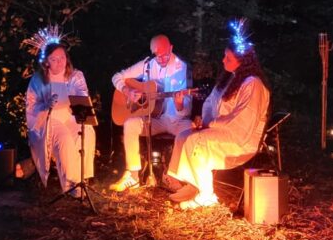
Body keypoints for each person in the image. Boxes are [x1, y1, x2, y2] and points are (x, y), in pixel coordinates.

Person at [166, 21, 270, 210]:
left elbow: (243, 119)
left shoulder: (252, 83)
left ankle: (207, 196)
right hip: (221, 129)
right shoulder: (230, 79)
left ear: (242, 61)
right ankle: (192, 185)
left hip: (239, 138)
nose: (223, 61)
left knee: (196, 142)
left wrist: (212, 124)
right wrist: (203, 121)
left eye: (227, 58)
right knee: (183, 136)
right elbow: (210, 103)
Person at [108, 34, 192, 192]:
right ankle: (132, 176)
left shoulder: (182, 68)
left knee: (189, 132)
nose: (161, 59)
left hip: (176, 120)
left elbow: (185, 109)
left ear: (171, 48)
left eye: (165, 54)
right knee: (130, 123)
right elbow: (117, 76)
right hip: (154, 119)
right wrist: (126, 90)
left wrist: (179, 103)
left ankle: (175, 177)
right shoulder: (147, 64)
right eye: (157, 56)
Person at [24, 37, 94, 197]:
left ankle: (83, 179)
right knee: (64, 140)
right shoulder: (39, 79)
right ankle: (71, 184)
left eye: (62, 58)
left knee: (87, 131)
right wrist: (45, 105)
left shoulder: (75, 75)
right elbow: (31, 105)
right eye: (54, 59)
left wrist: (76, 100)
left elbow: (83, 94)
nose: (59, 62)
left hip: (70, 114)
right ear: (46, 62)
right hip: (49, 119)